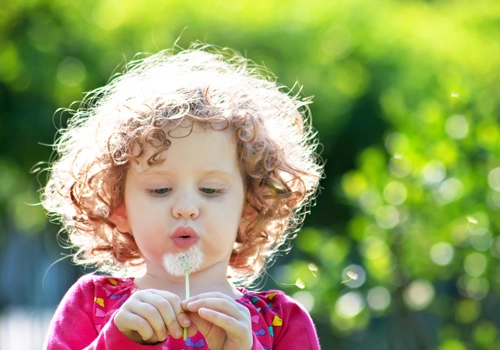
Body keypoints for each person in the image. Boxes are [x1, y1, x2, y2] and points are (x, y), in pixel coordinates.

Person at [41, 42, 323, 349]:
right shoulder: (91, 305)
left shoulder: (281, 322)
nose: (186, 208)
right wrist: (118, 341)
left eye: (211, 190)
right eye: (160, 190)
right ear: (118, 208)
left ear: (249, 210)